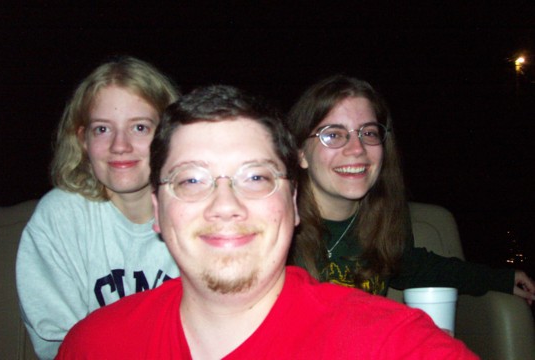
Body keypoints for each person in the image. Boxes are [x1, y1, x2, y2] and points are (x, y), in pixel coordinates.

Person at [56, 85, 477, 359]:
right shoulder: (93, 345)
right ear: (157, 211)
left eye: (255, 177)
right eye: (191, 180)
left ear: (294, 202)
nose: (225, 205)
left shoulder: (391, 344)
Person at [287, 74, 535, 302]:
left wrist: (500, 279)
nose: (357, 149)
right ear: (300, 154)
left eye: (369, 133)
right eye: (333, 135)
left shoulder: (384, 219)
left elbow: (414, 266)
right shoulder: (276, 226)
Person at [16, 56, 181, 359]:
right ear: (83, 140)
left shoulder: (198, 215)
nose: (120, 145)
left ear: (169, 136)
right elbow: (59, 345)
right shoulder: (59, 219)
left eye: (140, 127)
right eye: (103, 129)